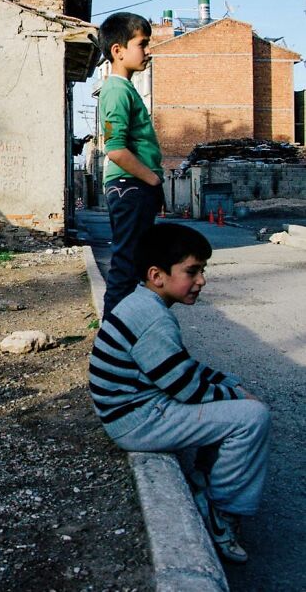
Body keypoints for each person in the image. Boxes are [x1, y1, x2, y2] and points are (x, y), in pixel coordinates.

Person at [89, 223, 270, 564]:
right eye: (192, 271)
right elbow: (188, 390)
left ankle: (207, 476)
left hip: (134, 410)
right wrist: (241, 399)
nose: (201, 280)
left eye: (203, 270)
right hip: (137, 421)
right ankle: (222, 511)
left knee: (229, 392)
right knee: (252, 418)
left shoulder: (143, 304)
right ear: (157, 275)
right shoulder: (154, 320)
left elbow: (180, 368)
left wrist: (230, 384)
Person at [98, 12, 165, 318]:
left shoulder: (124, 89)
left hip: (132, 186)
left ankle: (125, 331)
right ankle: (112, 338)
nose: (147, 50)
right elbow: (115, 150)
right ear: (118, 50)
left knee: (135, 262)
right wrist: (152, 180)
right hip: (130, 186)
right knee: (126, 264)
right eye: (143, 43)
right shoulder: (115, 91)